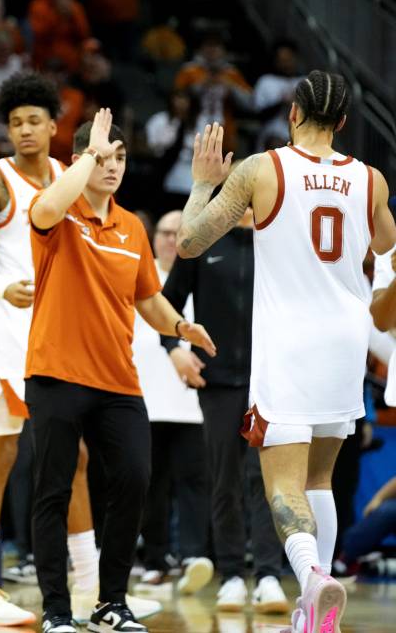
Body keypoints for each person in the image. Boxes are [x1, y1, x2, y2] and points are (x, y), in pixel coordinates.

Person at [176, 70, 396, 633]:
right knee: (319, 479)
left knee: (281, 483)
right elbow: (388, 251)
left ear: (292, 113)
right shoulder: (371, 180)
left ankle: (313, 578)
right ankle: (314, 611)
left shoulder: (261, 169)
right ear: (343, 122)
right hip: (345, 339)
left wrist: (202, 183)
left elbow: (190, 242)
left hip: (290, 341)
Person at [26, 109, 215, 633]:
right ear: (81, 161)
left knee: (134, 477)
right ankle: (57, 611)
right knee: (54, 490)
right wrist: (88, 152)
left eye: (120, 158)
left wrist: (181, 327)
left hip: (116, 379)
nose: (112, 167)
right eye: (102, 157)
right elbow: (44, 206)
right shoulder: (59, 215)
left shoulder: (132, 226)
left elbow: (148, 299)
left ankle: (112, 603)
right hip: (56, 373)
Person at [0, 72, 90, 628]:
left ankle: (90, 584)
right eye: (15, 122)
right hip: (7, 337)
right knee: (0, 456)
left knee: (77, 459)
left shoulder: (71, 177)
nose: (24, 130)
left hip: (60, 336)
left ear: (54, 126)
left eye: (34, 120)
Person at [161, 204, 288, 612]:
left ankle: (269, 574)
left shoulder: (280, 244)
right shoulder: (200, 245)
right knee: (224, 478)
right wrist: (175, 349)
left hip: (269, 381)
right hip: (216, 384)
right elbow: (167, 305)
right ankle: (232, 573)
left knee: (264, 478)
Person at [131, 211, 214, 598]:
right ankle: (155, 560)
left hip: (194, 404)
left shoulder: (201, 277)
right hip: (145, 401)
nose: (169, 240)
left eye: (177, 233)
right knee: (151, 486)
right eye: (164, 233)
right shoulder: (138, 279)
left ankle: (194, 557)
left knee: (196, 482)